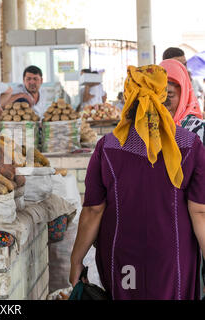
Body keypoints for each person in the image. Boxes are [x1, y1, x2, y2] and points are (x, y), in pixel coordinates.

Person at [69, 64, 205, 300]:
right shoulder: (190, 145)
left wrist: (76, 260)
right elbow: (200, 211)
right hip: (173, 256)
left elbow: (93, 210)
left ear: (129, 98)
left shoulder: (107, 147)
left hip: (123, 258)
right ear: (164, 96)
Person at [160, 59, 204, 143]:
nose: (163, 102)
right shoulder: (149, 127)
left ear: (183, 95)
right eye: (157, 94)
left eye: (170, 94)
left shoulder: (199, 130)